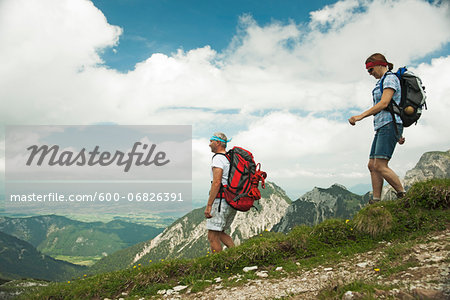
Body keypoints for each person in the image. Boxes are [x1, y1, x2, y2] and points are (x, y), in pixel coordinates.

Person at [348, 53, 406, 204]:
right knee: (372, 165)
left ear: (381, 65)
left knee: (380, 165)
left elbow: (384, 103)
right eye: (368, 71)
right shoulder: (381, 81)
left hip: (388, 125)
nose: (370, 73)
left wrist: (360, 116)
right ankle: (376, 200)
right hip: (383, 126)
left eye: (371, 69)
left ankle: (403, 195)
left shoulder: (390, 79)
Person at [204, 132, 237, 253]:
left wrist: (209, 205)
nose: (209, 144)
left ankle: (218, 266)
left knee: (212, 236)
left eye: (211, 141)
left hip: (220, 202)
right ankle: (237, 255)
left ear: (218, 143)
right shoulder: (229, 158)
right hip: (231, 200)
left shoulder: (218, 158)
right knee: (220, 232)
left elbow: (217, 182)